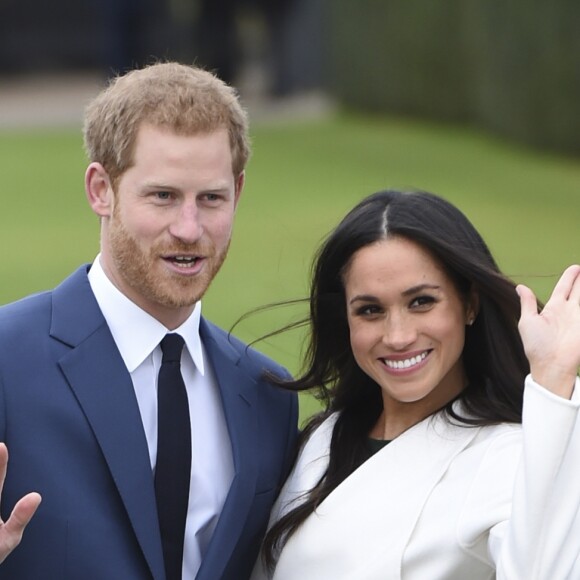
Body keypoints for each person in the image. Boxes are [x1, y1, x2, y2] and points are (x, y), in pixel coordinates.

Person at [0, 62, 298, 579]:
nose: (189, 229)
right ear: (101, 190)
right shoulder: (7, 358)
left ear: (239, 192)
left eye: (211, 198)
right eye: (163, 196)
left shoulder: (267, 394)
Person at [251, 189, 580, 579]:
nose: (398, 336)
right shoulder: (322, 439)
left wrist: (554, 378)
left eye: (421, 302)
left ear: (469, 304)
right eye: (370, 310)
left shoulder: (506, 455)